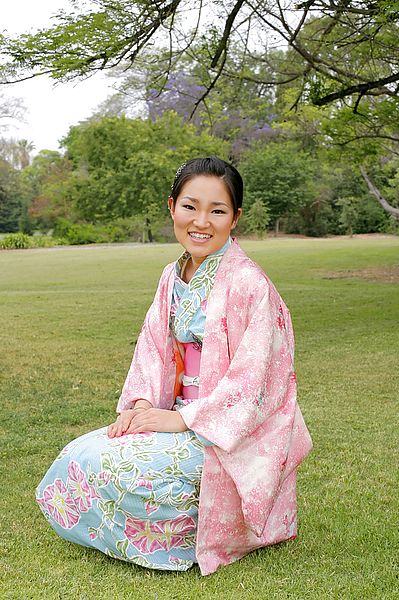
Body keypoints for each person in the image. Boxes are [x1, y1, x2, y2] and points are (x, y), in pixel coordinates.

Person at [35, 156, 313, 576]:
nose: (201, 221)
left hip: (226, 432)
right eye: (190, 206)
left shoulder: (250, 284)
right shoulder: (172, 275)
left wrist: (182, 420)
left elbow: (257, 380)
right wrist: (143, 405)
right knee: (81, 455)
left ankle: (195, 534)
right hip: (176, 415)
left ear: (235, 217)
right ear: (172, 207)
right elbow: (153, 345)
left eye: (217, 210)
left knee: (134, 473)